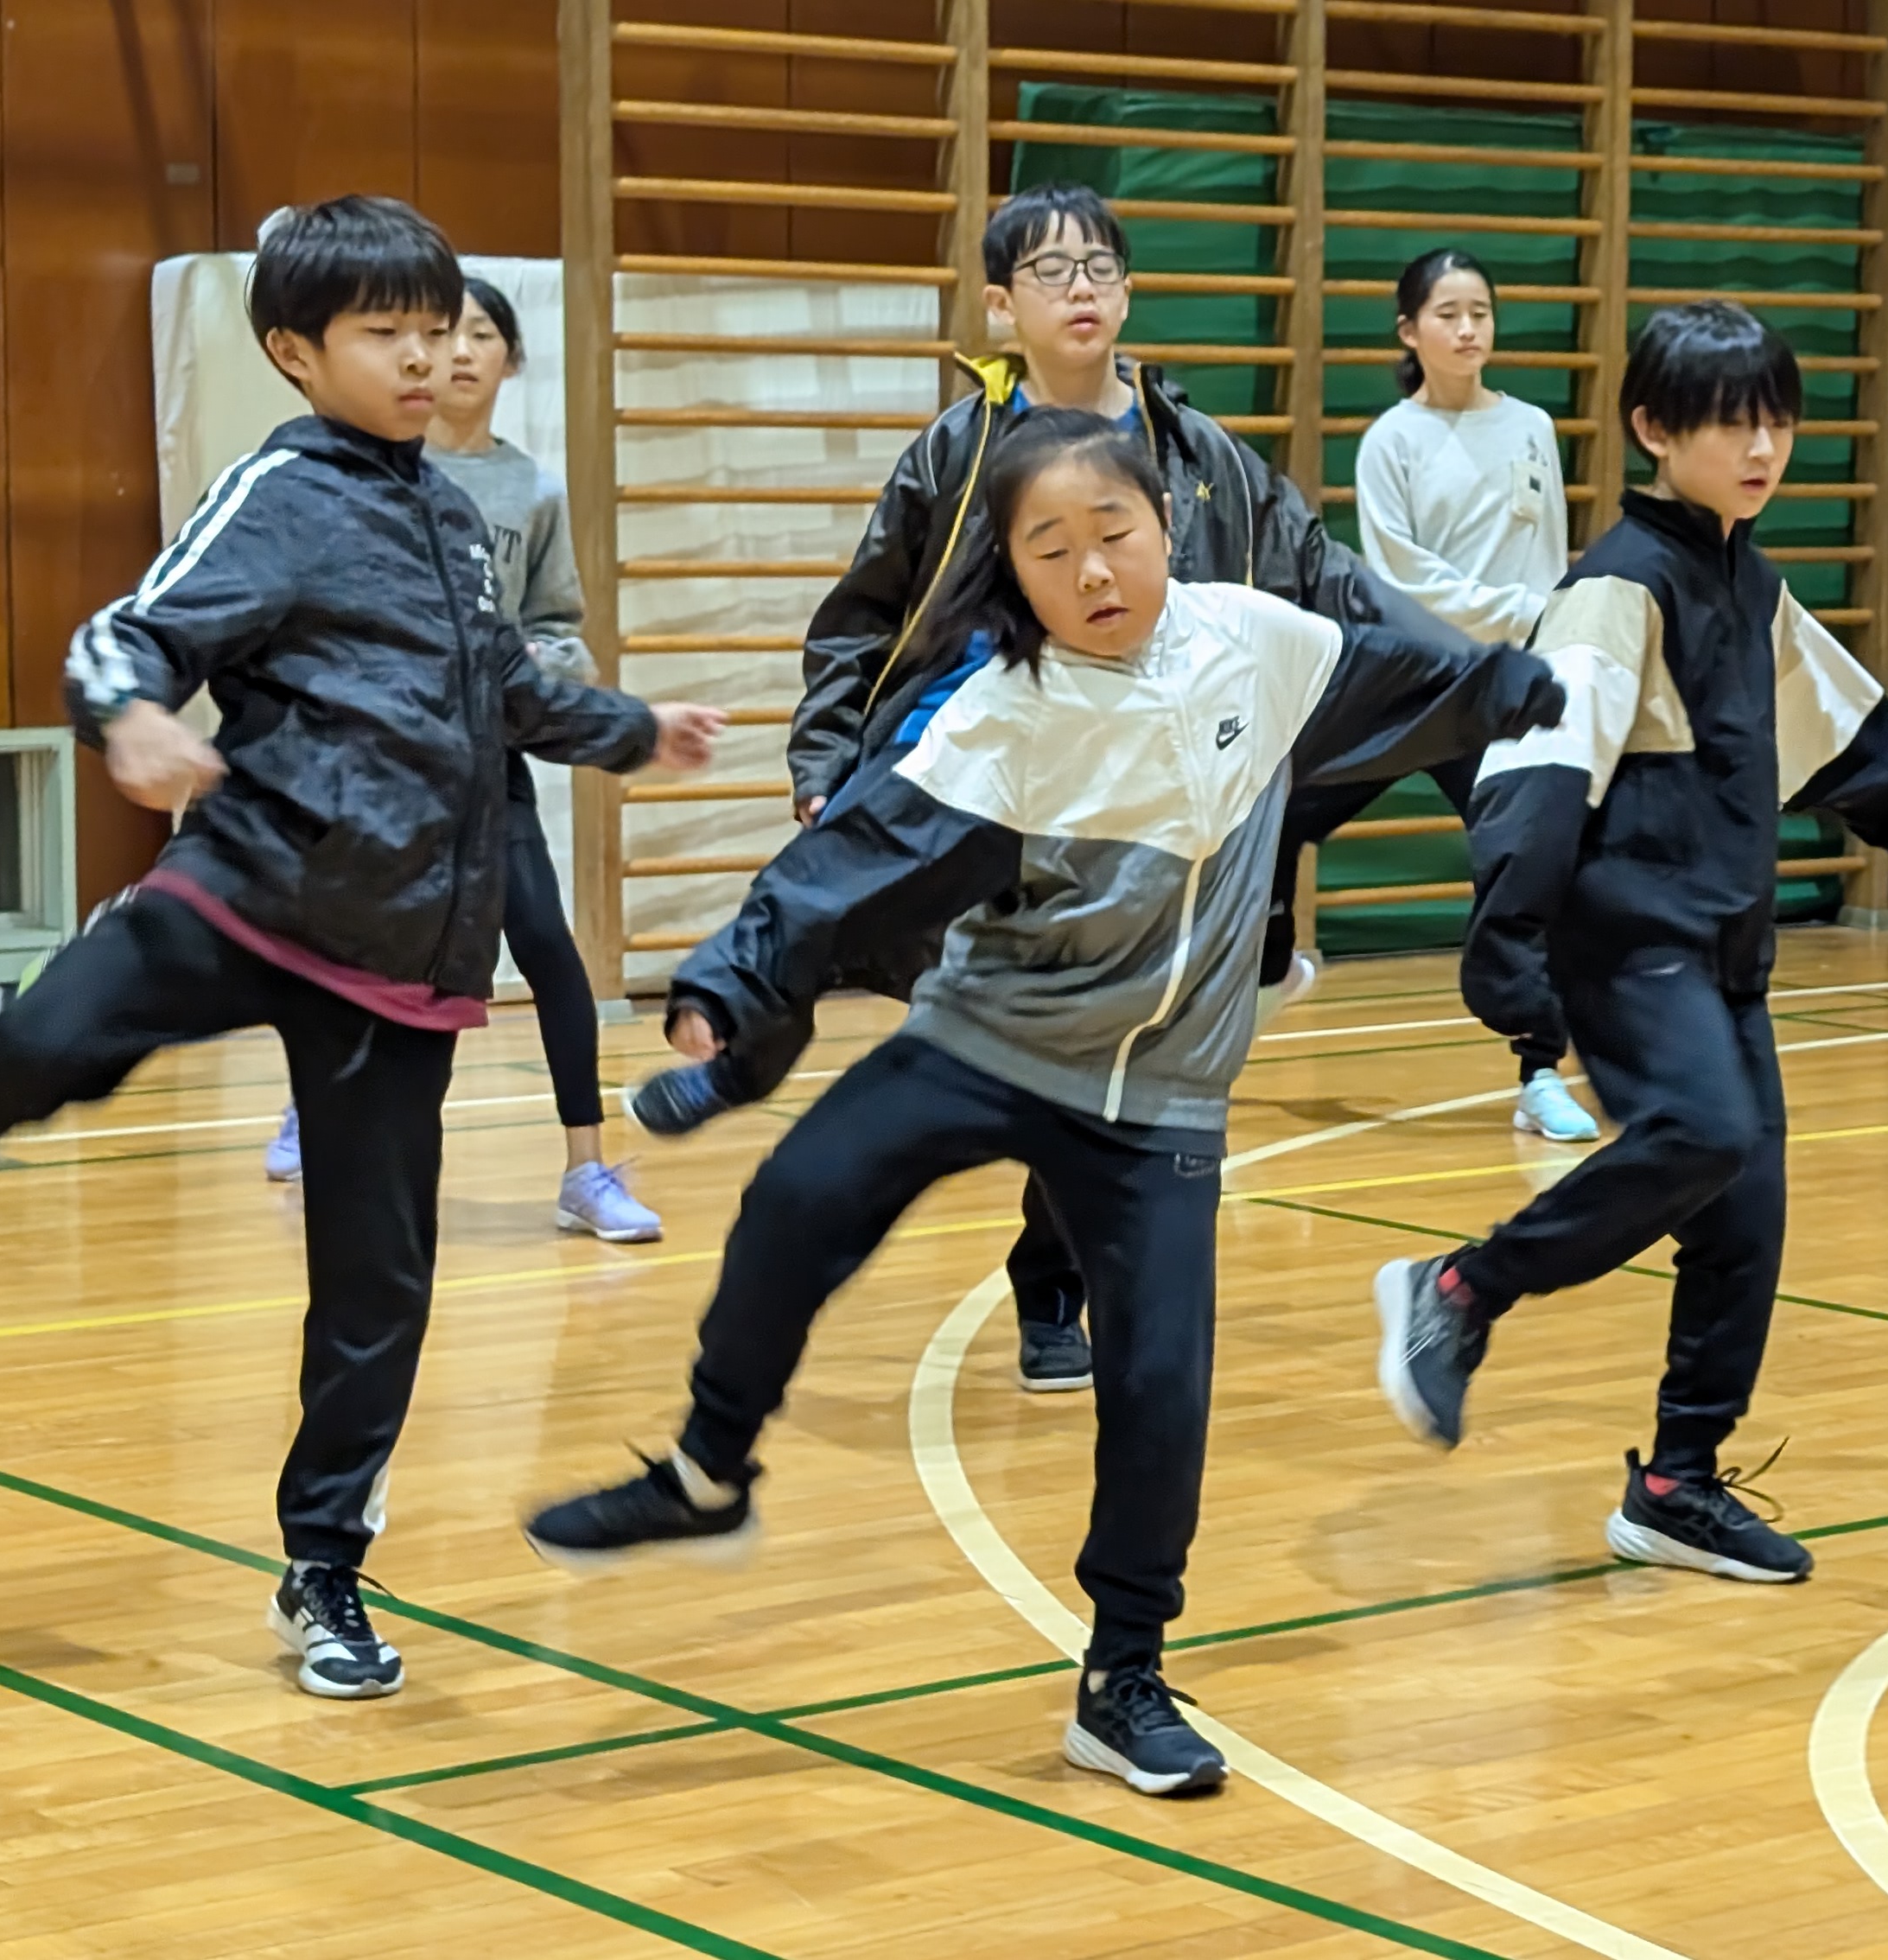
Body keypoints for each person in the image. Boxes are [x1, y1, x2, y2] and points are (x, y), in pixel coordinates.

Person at [520, 410, 1567, 1798]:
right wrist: (731, 975)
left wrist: (1506, 688)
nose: (1092, 572)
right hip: (993, 1040)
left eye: (1113, 533)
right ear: (1012, 573)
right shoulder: (1003, 712)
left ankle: (1123, 1678)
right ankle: (708, 1473)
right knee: (798, 1198)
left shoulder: (1258, 641)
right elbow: (850, 860)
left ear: (1166, 527)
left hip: (1164, 1095)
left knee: (1160, 1384)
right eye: (1050, 550)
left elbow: (1401, 676)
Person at [0, 196, 722, 1698]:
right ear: (295, 351)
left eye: (440, 331)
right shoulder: (279, 493)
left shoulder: (458, 518)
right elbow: (132, 632)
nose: (424, 359)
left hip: (403, 948)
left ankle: (323, 1569)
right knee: (35, 1046)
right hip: (247, 890)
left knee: (376, 1288)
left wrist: (632, 730)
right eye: (385, 333)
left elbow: (503, 686)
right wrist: (131, 717)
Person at [620, 182, 1459, 1398]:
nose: (1081, 288)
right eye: (1052, 270)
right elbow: (861, 618)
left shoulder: (1201, 458)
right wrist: (824, 763)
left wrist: (1479, 669)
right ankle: (743, 1061)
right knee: (821, 911)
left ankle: (1049, 1279)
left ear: (1127, 293)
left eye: (1100, 267)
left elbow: (1326, 583)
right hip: (963, 775)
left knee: (1092, 1053)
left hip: (1121, 811)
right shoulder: (955, 450)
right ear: (1001, 305)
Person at [1368, 302, 1888, 1585]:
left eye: (1777, 422)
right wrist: (1512, 948)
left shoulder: (1749, 583)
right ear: (1655, 431)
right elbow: (1540, 769)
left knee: (1745, 1216)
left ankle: (1676, 1486)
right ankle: (1460, 1291)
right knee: (1705, 1135)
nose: (1762, 448)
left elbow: (1845, 730)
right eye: (1732, 425)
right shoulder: (1620, 586)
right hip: (1632, 936)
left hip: (1725, 942)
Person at [259, 276, 658, 1242]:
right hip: (377, 770)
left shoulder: (533, 491)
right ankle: (313, 1106)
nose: (461, 352)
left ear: (510, 360)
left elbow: (562, 628)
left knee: (548, 945)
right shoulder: (364, 476)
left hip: (485, 764)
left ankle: (586, 1168)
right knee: (344, 947)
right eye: (447, 334)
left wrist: (541, 671)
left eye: (482, 334)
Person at [1343, 247, 1595, 1142]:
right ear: (1410, 331)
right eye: (1447, 314)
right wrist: (1518, 611)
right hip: (1418, 681)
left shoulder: (1531, 426)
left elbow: (1549, 548)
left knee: (1524, 861)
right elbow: (1402, 577)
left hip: (1512, 688)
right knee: (1282, 807)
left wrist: (1548, 631)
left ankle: (1540, 1069)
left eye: (1479, 312)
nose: (1467, 329)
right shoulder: (1391, 441)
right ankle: (1257, 975)